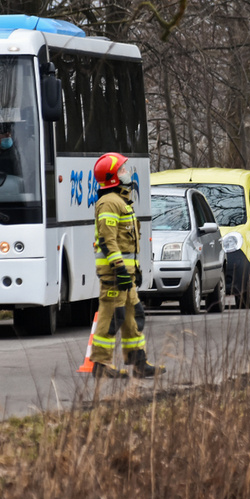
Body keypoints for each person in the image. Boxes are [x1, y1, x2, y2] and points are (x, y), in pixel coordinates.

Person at [91, 152, 165, 379]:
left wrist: (135, 271)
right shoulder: (109, 203)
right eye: (123, 169)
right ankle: (101, 364)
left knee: (134, 315)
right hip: (115, 274)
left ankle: (138, 362)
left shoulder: (120, 201)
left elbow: (128, 243)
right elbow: (108, 240)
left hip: (126, 274)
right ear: (113, 176)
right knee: (112, 316)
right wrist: (120, 269)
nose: (127, 172)